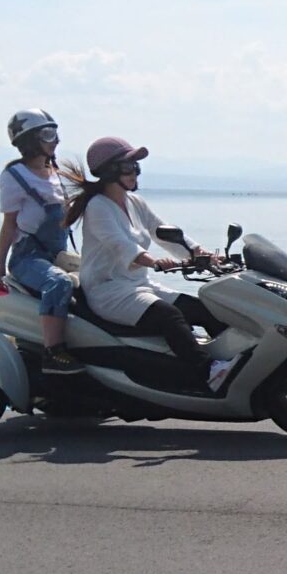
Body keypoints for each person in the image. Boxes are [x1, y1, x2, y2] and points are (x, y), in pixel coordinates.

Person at [67, 135, 233, 392]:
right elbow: (121, 246)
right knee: (169, 316)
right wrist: (154, 262)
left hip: (138, 285)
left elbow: (164, 233)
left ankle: (233, 363)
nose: (135, 172)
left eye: (136, 166)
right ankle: (209, 372)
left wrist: (203, 255)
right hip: (109, 291)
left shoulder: (134, 202)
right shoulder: (97, 207)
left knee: (201, 309)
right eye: (128, 166)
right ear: (109, 171)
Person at [0, 109, 81, 373]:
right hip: (28, 257)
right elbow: (9, 224)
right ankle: (53, 352)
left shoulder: (56, 173)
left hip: (58, 255)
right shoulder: (15, 176)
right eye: (48, 134)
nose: (56, 140)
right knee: (59, 282)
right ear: (29, 140)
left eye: (56, 133)